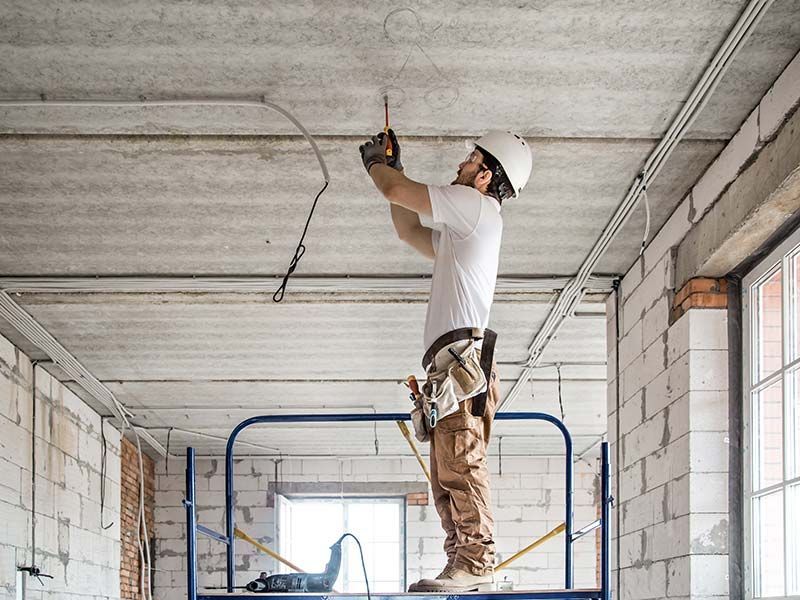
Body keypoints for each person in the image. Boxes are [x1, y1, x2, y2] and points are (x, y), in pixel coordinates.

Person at [359, 129, 532, 592]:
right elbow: (407, 227)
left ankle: (477, 563)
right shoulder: (463, 234)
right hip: (449, 369)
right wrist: (392, 171)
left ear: (485, 176)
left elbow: (397, 193)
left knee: (461, 463)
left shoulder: (477, 209)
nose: (460, 165)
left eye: (470, 160)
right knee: (447, 474)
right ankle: (461, 559)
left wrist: (380, 167)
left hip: (460, 364)